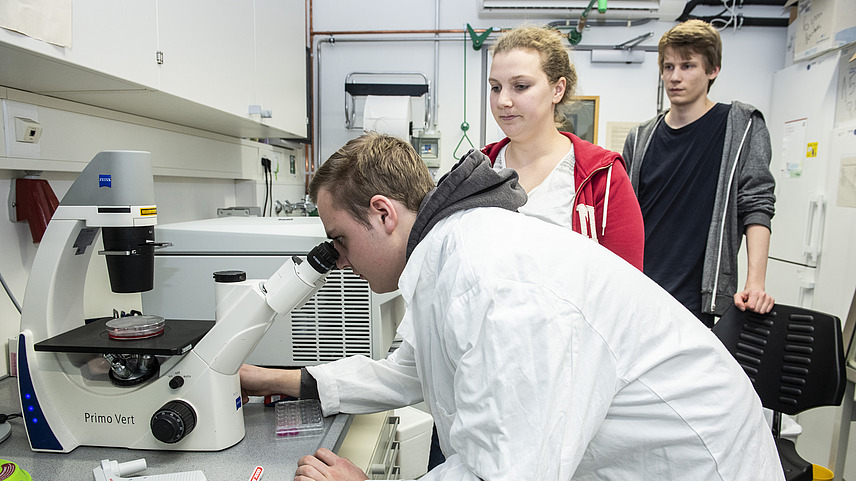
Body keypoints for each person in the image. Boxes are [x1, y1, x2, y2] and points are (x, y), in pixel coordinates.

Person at [241, 132, 784, 481]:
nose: (337, 260)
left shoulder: (490, 278)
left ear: (383, 214)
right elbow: (406, 373)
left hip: (697, 465)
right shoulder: (451, 257)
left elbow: (509, 473)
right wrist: (269, 380)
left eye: (339, 240)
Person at [622, 20, 776, 327]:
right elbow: (623, 215)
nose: (674, 77)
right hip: (639, 292)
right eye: (668, 67)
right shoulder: (640, 138)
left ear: (712, 70)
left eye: (688, 66)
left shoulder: (742, 126)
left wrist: (755, 282)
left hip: (699, 299)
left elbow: (757, 205)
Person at [482, 26, 644, 270]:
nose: (503, 100)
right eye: (496, 87)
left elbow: (625, 285)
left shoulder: (603, 176)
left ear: (557, 89)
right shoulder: (478, 169)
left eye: (521, 86)